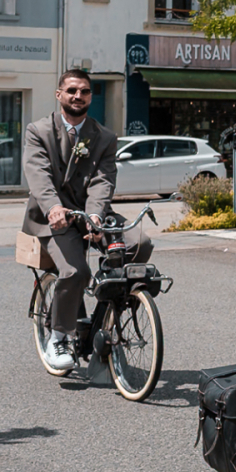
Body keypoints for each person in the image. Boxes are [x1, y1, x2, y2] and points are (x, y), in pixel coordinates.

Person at [22, 68, 153, 370]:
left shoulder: (104, 136)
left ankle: (108, 309)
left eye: (84, 91)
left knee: (139, 244)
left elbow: (103, 181)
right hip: (53, 216)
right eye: (71, 90)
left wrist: (95, 215)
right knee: (75, 271)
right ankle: (58, 337)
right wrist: (53, 207)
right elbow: (38, 175)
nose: (77, 96)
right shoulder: (38, 131)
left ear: (91, 96)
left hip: (90, 211)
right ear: (59, 94)